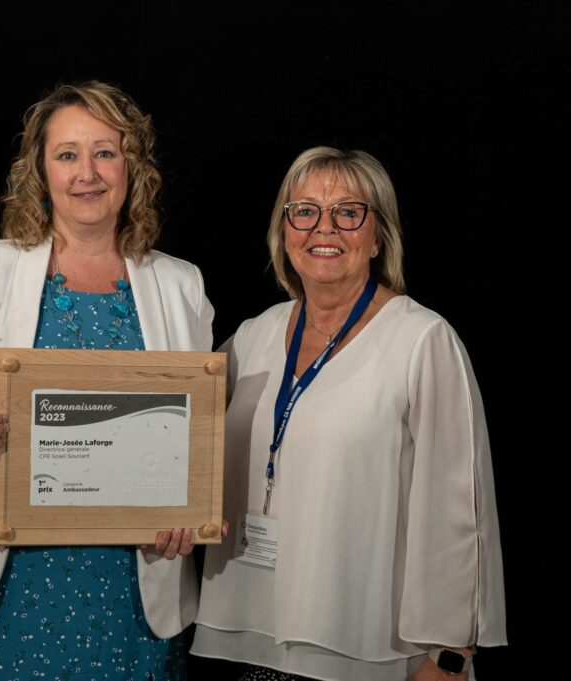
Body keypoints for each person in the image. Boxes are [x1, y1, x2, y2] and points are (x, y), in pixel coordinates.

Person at [0, 81, 213, 680]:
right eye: (67, 154)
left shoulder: (182, 285)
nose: (87, 173)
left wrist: (187, 509)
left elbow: (196, 433)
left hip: (129, 590)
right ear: (40, 170)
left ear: (133, 166)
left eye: (106, 151)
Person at [192, 147, 506, 680]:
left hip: (370, 651)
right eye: (305, 210)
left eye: (348, 212)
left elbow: (459, 510)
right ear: (285, 228)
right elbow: (178, 433)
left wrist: (448, 654)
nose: (324, 227)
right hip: (252, 639)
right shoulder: (253, 336)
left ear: (379, 234)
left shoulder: (422, 341)